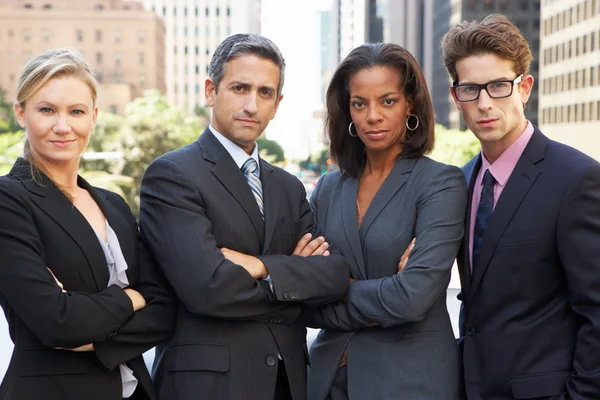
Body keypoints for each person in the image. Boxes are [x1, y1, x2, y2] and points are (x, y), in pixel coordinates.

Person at [139, 33, 350, 400]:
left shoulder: (288, 186)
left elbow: (333, 275)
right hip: (210, 386)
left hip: (288, 382)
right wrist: (291, 280)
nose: (252, 105)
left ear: (277, 104)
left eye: (265, 93)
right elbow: (208, 290)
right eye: (239, 88)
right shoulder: (172, 174)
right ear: (210, 91)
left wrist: (258, 266)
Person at [0, 48, 175, 400]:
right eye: (46, 110)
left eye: (76, 111)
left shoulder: (113, 204)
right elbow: (57, 321)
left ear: (94, 117)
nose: (63, 126)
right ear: (21, 113)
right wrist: (132, 298)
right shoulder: (9, 199)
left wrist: (90, 331)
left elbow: (164, 309)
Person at [441, 14, 600, 399]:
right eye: (470, 90)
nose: (484, 104)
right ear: (455, 96)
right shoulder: (459, 182)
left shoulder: (576, 179)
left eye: (498, 86)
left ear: (524, 88)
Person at [301, 42, 467, 400]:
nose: (372, 115)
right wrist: (386, 290)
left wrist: (333, 287)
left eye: (387, 101)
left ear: (410, 104)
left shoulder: (441, 183)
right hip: (327, 380)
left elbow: (412, 298)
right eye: (359, 103)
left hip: (410, 382)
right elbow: (303, 299)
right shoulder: (328, 188)